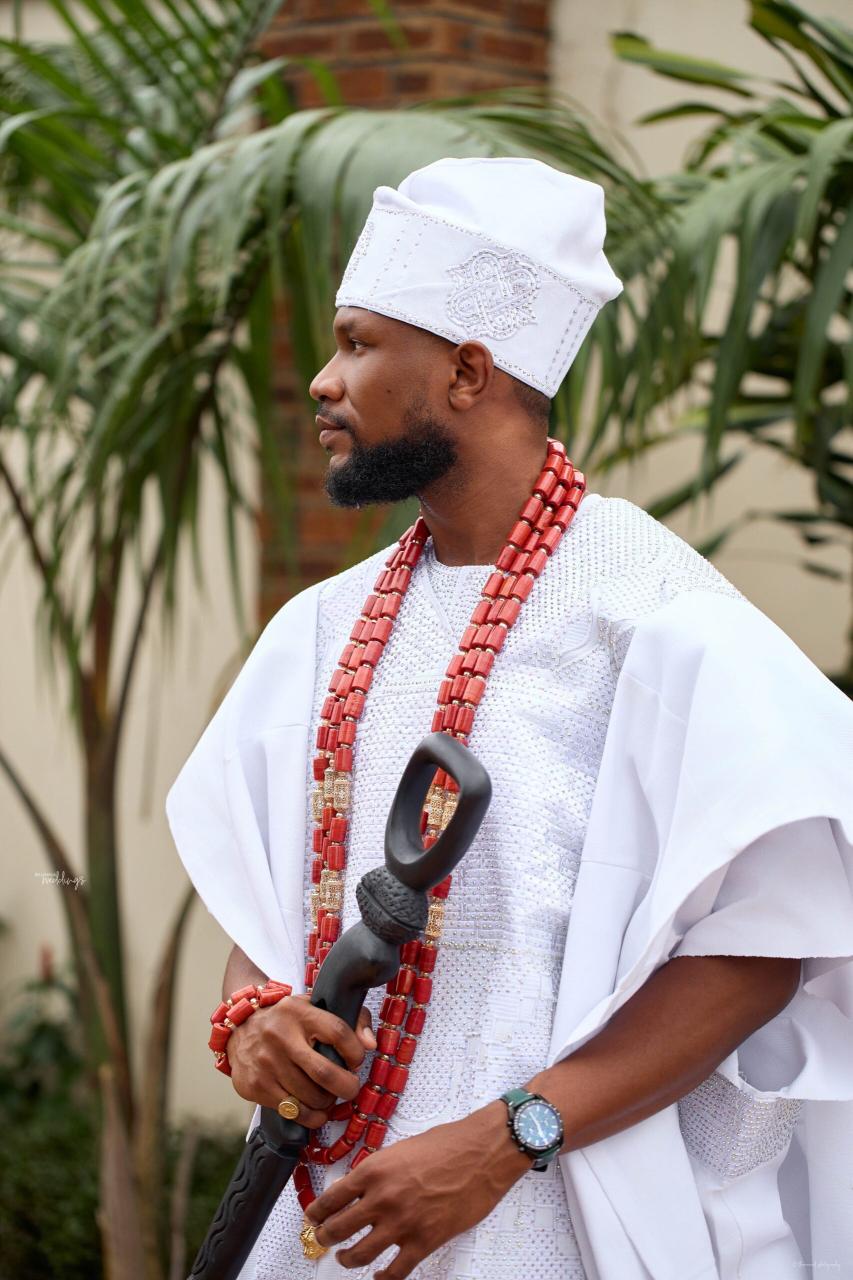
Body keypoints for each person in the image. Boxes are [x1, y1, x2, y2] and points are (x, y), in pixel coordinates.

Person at [166, 158, 853, 1280]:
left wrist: (503, 1140)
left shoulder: (657, 618)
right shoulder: (322, 629)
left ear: (467, 371)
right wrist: (254, 1016)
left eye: (356, 343)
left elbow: (758, 948)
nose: (323, 383)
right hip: (322, 1215)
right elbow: (276, 896)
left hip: (561, 1220)